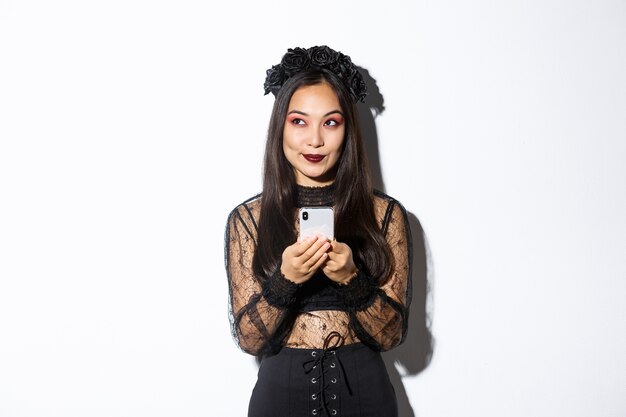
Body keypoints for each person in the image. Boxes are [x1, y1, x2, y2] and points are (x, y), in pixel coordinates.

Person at [224, 45, 412, 417]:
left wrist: (351, 280)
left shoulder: (384, 214)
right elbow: (249, 338)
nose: (314, 140)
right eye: (299, 121)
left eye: (330, 122)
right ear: (280, 126)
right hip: (281, 398)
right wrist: (286, 280)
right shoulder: (249, 218)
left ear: (348, 130)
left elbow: (391, 336)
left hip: (367, 398)